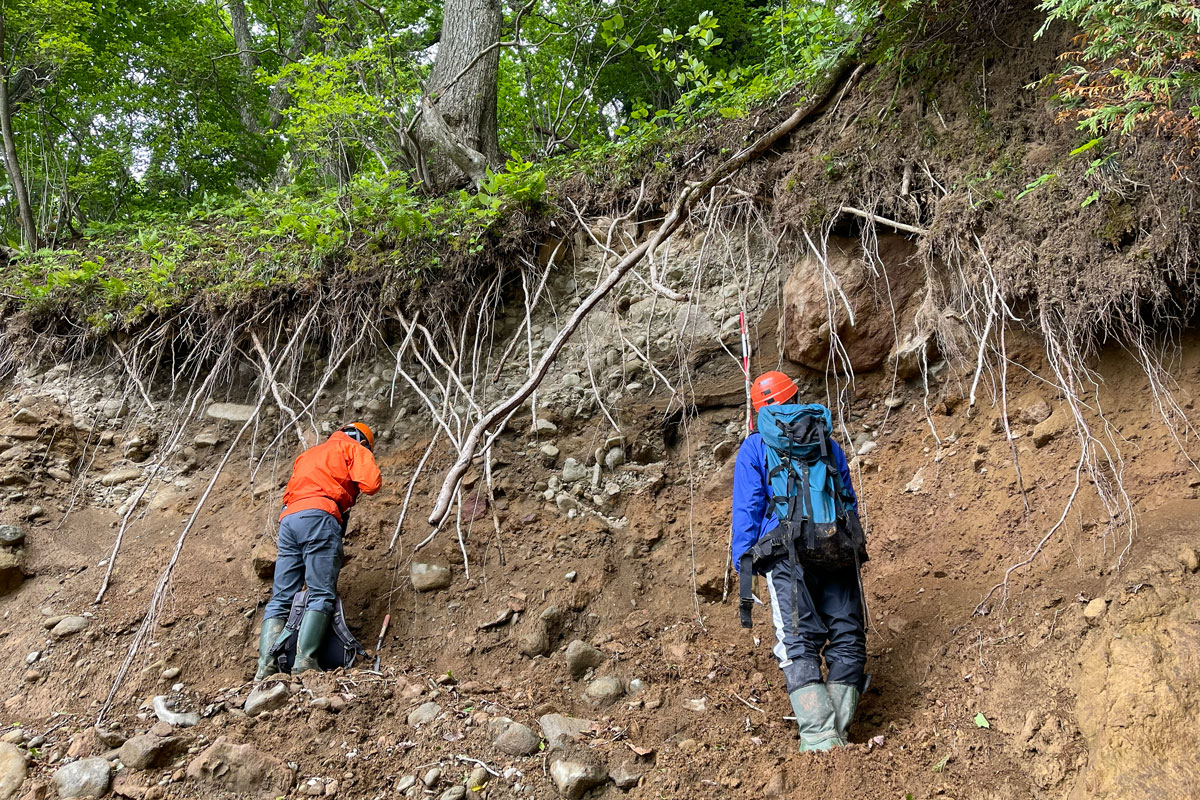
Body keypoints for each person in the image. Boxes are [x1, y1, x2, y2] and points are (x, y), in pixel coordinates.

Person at [731, 371, 866, 752]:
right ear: (796, 398)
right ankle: (837, 734)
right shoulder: (827, 441)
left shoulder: (755, 447)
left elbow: (748, 509)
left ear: (758, 410)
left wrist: (745, 563)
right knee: (848, 635)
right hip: (836, 547)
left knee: (796, 639)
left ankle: (821, 739)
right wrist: (851, 548)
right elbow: (847, 500)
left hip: (784, 553)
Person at [255, 423, 382, 679]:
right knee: (321, 593)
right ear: (363, 441)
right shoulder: (353, 448)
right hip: (319, 516)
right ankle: (305, 662)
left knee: (281, 598)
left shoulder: (310, 454)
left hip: (289, 520)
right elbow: (371, 484)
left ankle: (265, 668)